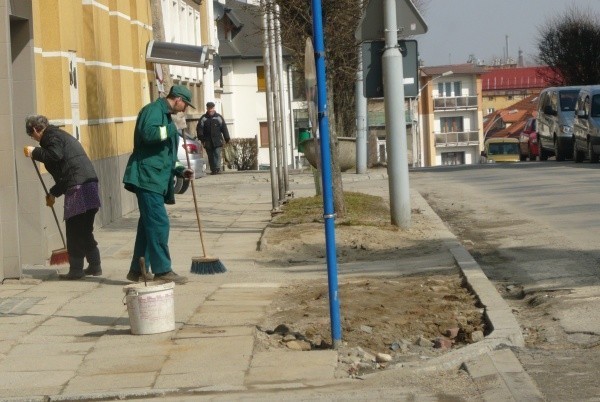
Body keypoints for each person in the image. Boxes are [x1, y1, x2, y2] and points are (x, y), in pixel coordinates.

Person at [122, 85, 195, 285]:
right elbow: (148, 134)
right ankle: (163, 270)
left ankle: (138, 270)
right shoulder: (153, 111)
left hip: (156, 178)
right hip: (147, 177)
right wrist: (173, 127)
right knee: (159, 223)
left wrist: (181, 170)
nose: (184, 110)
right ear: (178, 99)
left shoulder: (167, 117)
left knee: (148, 226)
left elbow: (167, 154)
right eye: (185, 105)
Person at [24, 115, 101, 280]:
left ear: (37, 130)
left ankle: (76, 270)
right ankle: (95, 265)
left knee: (74, 229)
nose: (34, 139)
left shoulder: (52, 137)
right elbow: (65, 172)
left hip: (78, 187)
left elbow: (55, 155)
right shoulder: (60, 135)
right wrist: (53, 193)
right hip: (89, 183)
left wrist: (34, 152)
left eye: (32, 135)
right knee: (85, 229)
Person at [196, 101, 230, 174]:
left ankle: (217, 168)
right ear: (207, 109)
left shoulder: (218, 117)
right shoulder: (203, 118)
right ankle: (213, 169)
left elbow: (224, 128)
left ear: (214, 108)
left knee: (217, 154)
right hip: (207, 141)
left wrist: (226, 137)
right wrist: (201, 138)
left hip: (217, 140)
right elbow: (199, 128)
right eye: (209, 108)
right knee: (210, 156)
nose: (210, 110)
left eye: (211, 108)